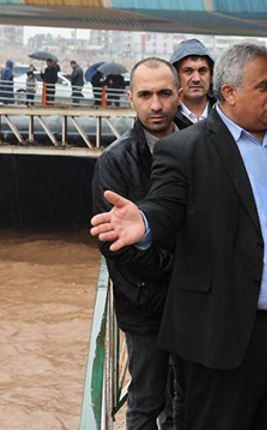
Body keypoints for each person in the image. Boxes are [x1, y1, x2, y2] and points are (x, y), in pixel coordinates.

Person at [90, 42, 267, 430]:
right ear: (229, 92)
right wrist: (144, 223)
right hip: (230, 335)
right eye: (264, 86)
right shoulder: (188, 149)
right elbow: (165, 206)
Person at [93, 57, 181, 430]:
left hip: (195, 300)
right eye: (145, 94)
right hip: (144, 306)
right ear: (130, 98)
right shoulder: (114, 162)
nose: (156, 105)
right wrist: (180, 268)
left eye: (164, 93)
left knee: (187, 397)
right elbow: (116, 246)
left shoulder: (205, 145)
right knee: (147, 399)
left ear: (179, 95)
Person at [169, 39, 215, 128]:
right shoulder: (167, 118)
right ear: (176, 76)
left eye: (202, 70)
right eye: (188, 71)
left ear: (211, 75)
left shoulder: (225, 114)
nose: (196, 79)